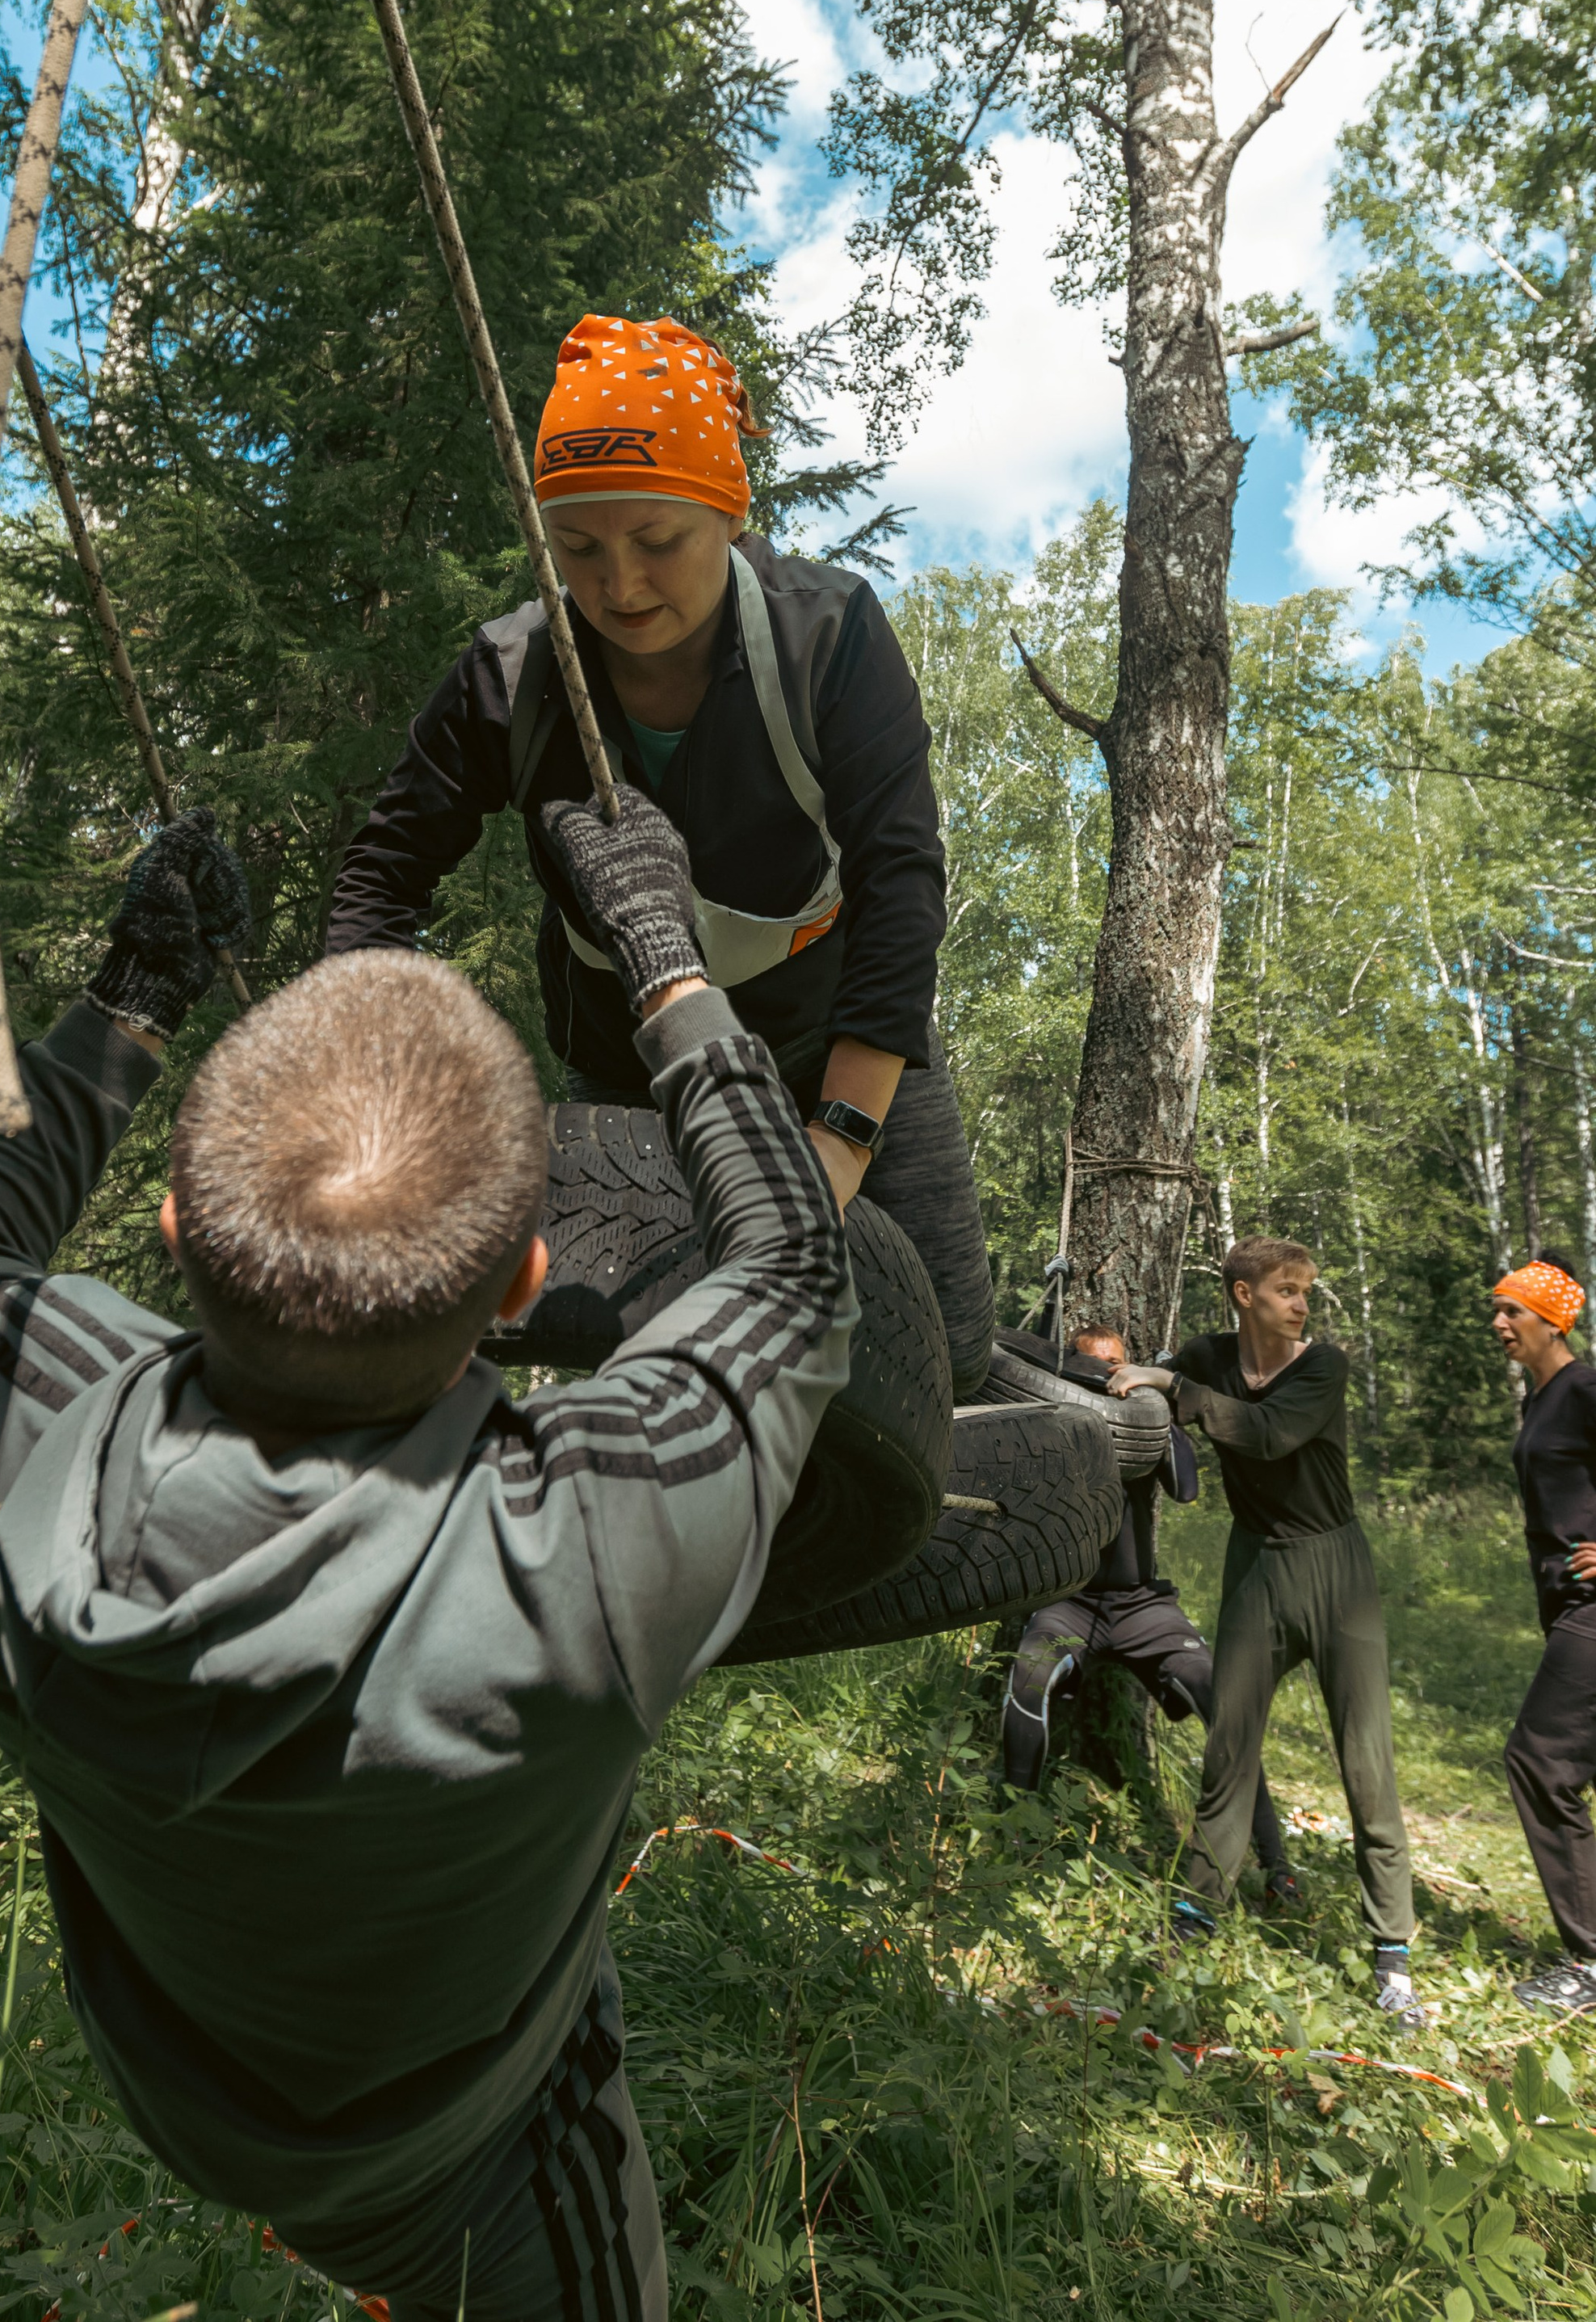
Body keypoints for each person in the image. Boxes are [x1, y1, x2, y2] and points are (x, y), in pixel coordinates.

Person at [0, 793, 854, 2321]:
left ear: (179, 1230)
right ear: (530, 1278)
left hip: (189, 2099)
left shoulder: (0, 1448)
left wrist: (134, 994)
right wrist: (666, 957)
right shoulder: (582, 1558)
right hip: (481, 2171)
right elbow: (793, 1264)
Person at [324, 312, 991, 1387]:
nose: (620, 587)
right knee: (638, 1362)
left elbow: (901, 883)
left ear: (730, 517)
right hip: (632, 1075)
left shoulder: (830, 637)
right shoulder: (512, 676)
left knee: (943, 1361)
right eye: (578, 549)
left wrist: (844, 1140)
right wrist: (347, 1084)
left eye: (658, 541)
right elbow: (383, 873)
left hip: (846, 1051)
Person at [1108, 1237, 1419, 2021]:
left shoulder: (1324, 1367)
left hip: (1335, 1569)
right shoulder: (1209, 1357)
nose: (1301, 1304)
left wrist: (1173, 1386)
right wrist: (1133, 1377)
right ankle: (1196, 1914)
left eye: (1306, 1291)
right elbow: (1150, 1382)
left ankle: (1392, 1954)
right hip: (1257, 1570)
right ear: (1244, 1295)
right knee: (1230, 1744)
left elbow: (1267, 1433)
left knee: (1365, 1759)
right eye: (1286, 1290)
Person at [1001, 1324, 1296, 1900]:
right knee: (1027, 1679)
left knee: (1223, 1696)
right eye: (1095, 1366)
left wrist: (1153, 1410)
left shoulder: (1145, 1413)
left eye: (1116, 1364)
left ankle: (1276, 1863)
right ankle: (1011, 1839)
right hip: (1068, 1601)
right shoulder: (1049, 1423)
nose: (1108, 1375)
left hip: (1142, 1605)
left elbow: (1184, 1488)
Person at [1489, 1253, 1596, 2015]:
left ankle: (1589, 1963)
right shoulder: (1544, 1400)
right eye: (1497, 1310)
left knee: (1539, 1761)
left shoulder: (1587, 1387)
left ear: (1553, 1320)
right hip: (1566, 1608)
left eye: (1513, 1311)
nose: (1499, 1324)